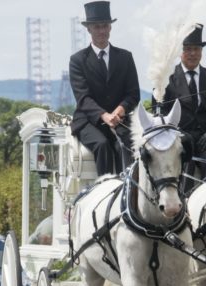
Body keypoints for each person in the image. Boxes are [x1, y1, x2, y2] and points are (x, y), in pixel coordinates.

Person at [69, 1, 140, 176]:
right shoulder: (77, 60)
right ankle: (104, 189)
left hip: (119, 118)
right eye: (97, 27)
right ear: (89, 29)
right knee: (102, 145)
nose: (101, 31)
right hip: (88, 120)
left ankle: (130, 190)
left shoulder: (125, 57)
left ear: (110, 28)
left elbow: (133, 93)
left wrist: (119, 111)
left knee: (126, 145)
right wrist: (104, 115)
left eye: (105, 26)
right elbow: (83, 98)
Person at [153, 23, 206, 182]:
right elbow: (159, 113)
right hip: (179, 140)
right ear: (180, 52)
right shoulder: (165, 79)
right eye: (188, 49)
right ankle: (183, 202)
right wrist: (178, 134)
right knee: (184, 159)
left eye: (197, 49)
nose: (193, 53)